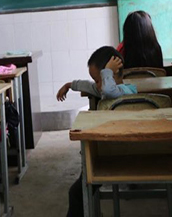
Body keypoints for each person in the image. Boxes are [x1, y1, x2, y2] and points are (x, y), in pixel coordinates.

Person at [55, 46, 137, 217]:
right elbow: (90, 86)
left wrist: (107, 72)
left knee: (76, 193)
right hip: (111, 155)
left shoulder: (127, 91)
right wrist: (69, 85)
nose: (97, 86)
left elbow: (108, 90)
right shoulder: (106, 89)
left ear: (112, 73)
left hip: (118, 157)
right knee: (76, 192)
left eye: (99, 80)